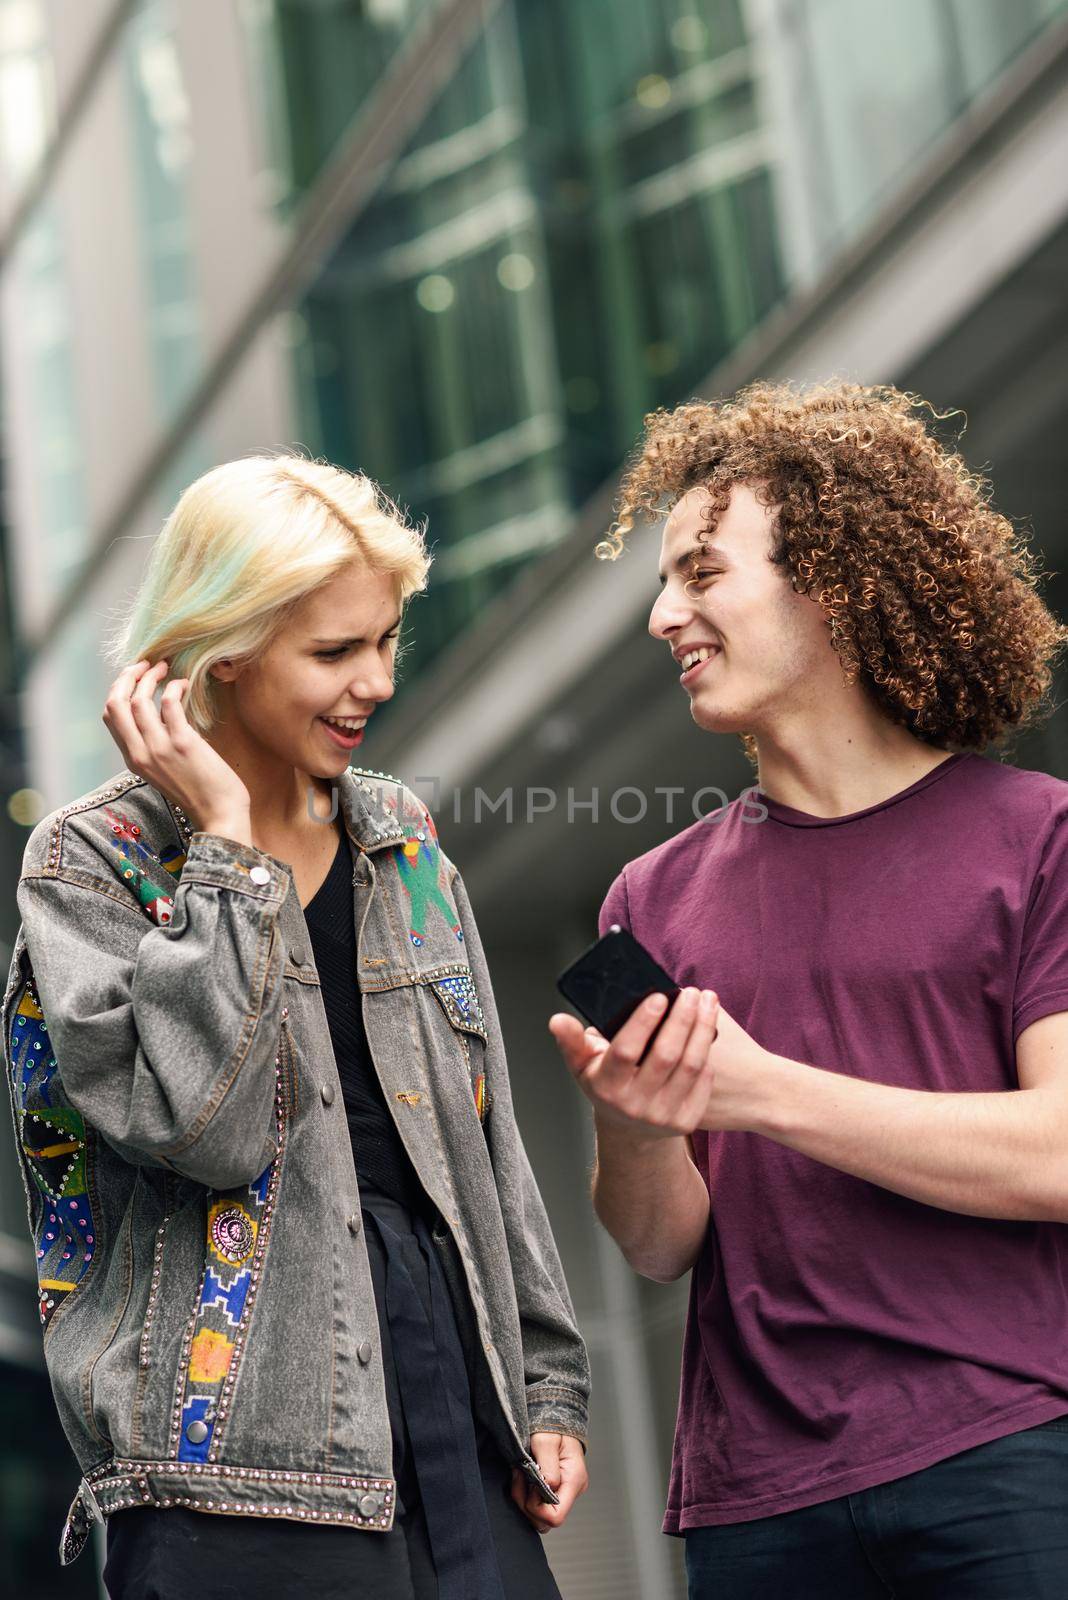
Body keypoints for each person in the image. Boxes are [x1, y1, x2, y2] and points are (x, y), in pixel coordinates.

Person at [3, 454, 589, 1599]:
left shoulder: (400, 838)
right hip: (236, 1465)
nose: (373, 681)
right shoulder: (88, 864)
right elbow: (202, 1128)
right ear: (222, 651)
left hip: (457, 1419)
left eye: (385, 640)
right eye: (333, 652)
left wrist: (549, 1387)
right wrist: (228, 848)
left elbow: (487, 1140)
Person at [549, 380, 1068, 1599]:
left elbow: (1058, 1152)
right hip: (755, 1505)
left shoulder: (1039, 840)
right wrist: (635, 1126)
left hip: (1009, 1452)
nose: (664, 616)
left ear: (829, 576)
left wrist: (761, 1091)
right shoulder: (650, 897)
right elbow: (661, 1241)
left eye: (701, 572)